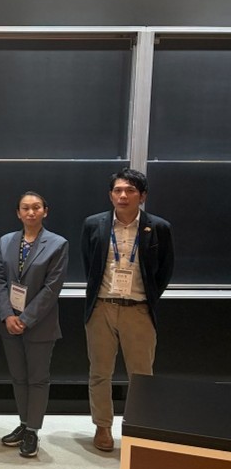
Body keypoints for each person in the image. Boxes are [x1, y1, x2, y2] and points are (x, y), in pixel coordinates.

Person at [81, 168, 174, 452]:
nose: (123, 195)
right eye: (118, 190)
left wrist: (146, 298)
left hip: (138, 310)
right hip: (102, 307)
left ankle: (140, 429)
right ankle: (102, 427)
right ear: (111, 195)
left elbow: (165, 270)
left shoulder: (158, 227)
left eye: (130, 190)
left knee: (141, 376)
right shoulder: (94, 224)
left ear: (142, 196)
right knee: (100, 372)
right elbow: (89, 264)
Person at [0, 192, 68, 458]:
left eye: (36, 207)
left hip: (40, 324)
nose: (31, 212)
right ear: (18, 213)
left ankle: (33, 430)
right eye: (25, 208)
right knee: (18, 377)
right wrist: (7, 315)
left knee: (37, 379)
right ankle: (24, 423)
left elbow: (51, 288)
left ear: (45, 211)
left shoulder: (58, 244)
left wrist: (25, 319)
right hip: (8, 322)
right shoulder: (6, 241)